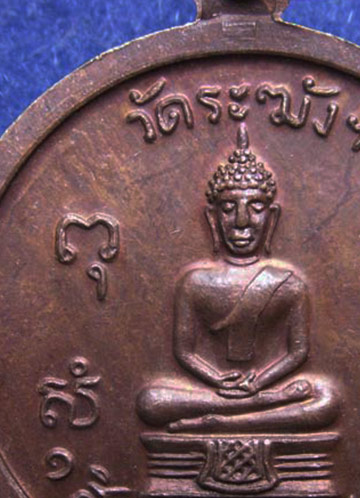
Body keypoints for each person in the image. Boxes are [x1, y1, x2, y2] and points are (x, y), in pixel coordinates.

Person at [136, 125, 342, 433]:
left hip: (266, 389)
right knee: (151, 400)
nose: (242, 221)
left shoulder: (290, 284)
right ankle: (246, 411)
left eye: (255, 207)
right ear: (212, 218)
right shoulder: (195, 283)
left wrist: (259, 382)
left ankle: (222, 418)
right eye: (229, 208)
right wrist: (217, 381)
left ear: (272, 217)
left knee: (327, 398)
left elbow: (298, 353)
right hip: (224, 394)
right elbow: (184, 352)